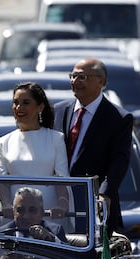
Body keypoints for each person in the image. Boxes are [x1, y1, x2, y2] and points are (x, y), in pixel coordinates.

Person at [53, 58, 133, 236]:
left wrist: (104, 194)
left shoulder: (118, 118)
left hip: (92, 207)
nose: (75, 81)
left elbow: (119, 161)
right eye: (73, 76)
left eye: (82, 77)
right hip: (58, 206)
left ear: (101, 81)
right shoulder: (58, 111)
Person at [0, 82, 71, 231]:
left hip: (49, 216)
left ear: (40, 107)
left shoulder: (56, 139)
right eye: (15, 103)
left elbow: (62, 179)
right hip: (16, 218)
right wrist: (7, 204)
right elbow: (1, 182)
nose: (19, 108)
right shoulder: (3, 142)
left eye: (25, 103)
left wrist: (62, 204)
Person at [0, 187, 68, 243]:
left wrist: (50, 239)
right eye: (20, 210)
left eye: (32, 210)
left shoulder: (55, 231)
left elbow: (69, 258)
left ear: (42, 212)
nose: (26, 216)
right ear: (13, 212)